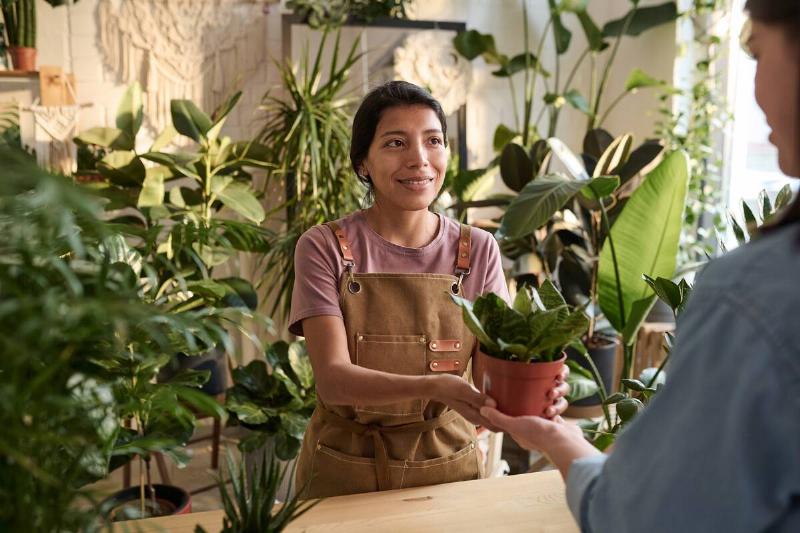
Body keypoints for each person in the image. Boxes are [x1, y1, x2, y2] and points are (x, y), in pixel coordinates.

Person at [479, 1, 800, 531]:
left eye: (757, 51)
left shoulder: (754, 298)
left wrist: (565, 445)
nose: (756, 89)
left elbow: (644, 517)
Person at [288, 81, 569, 499]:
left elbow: (494, 383)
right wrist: (433, 386)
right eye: (395, 142)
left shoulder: (478, 250)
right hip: (342, 469)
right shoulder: (325, 246)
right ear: (363, 163)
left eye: (433, 140)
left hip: (448, 470)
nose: (419, 159)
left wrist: (537, 390)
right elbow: (333, 381)